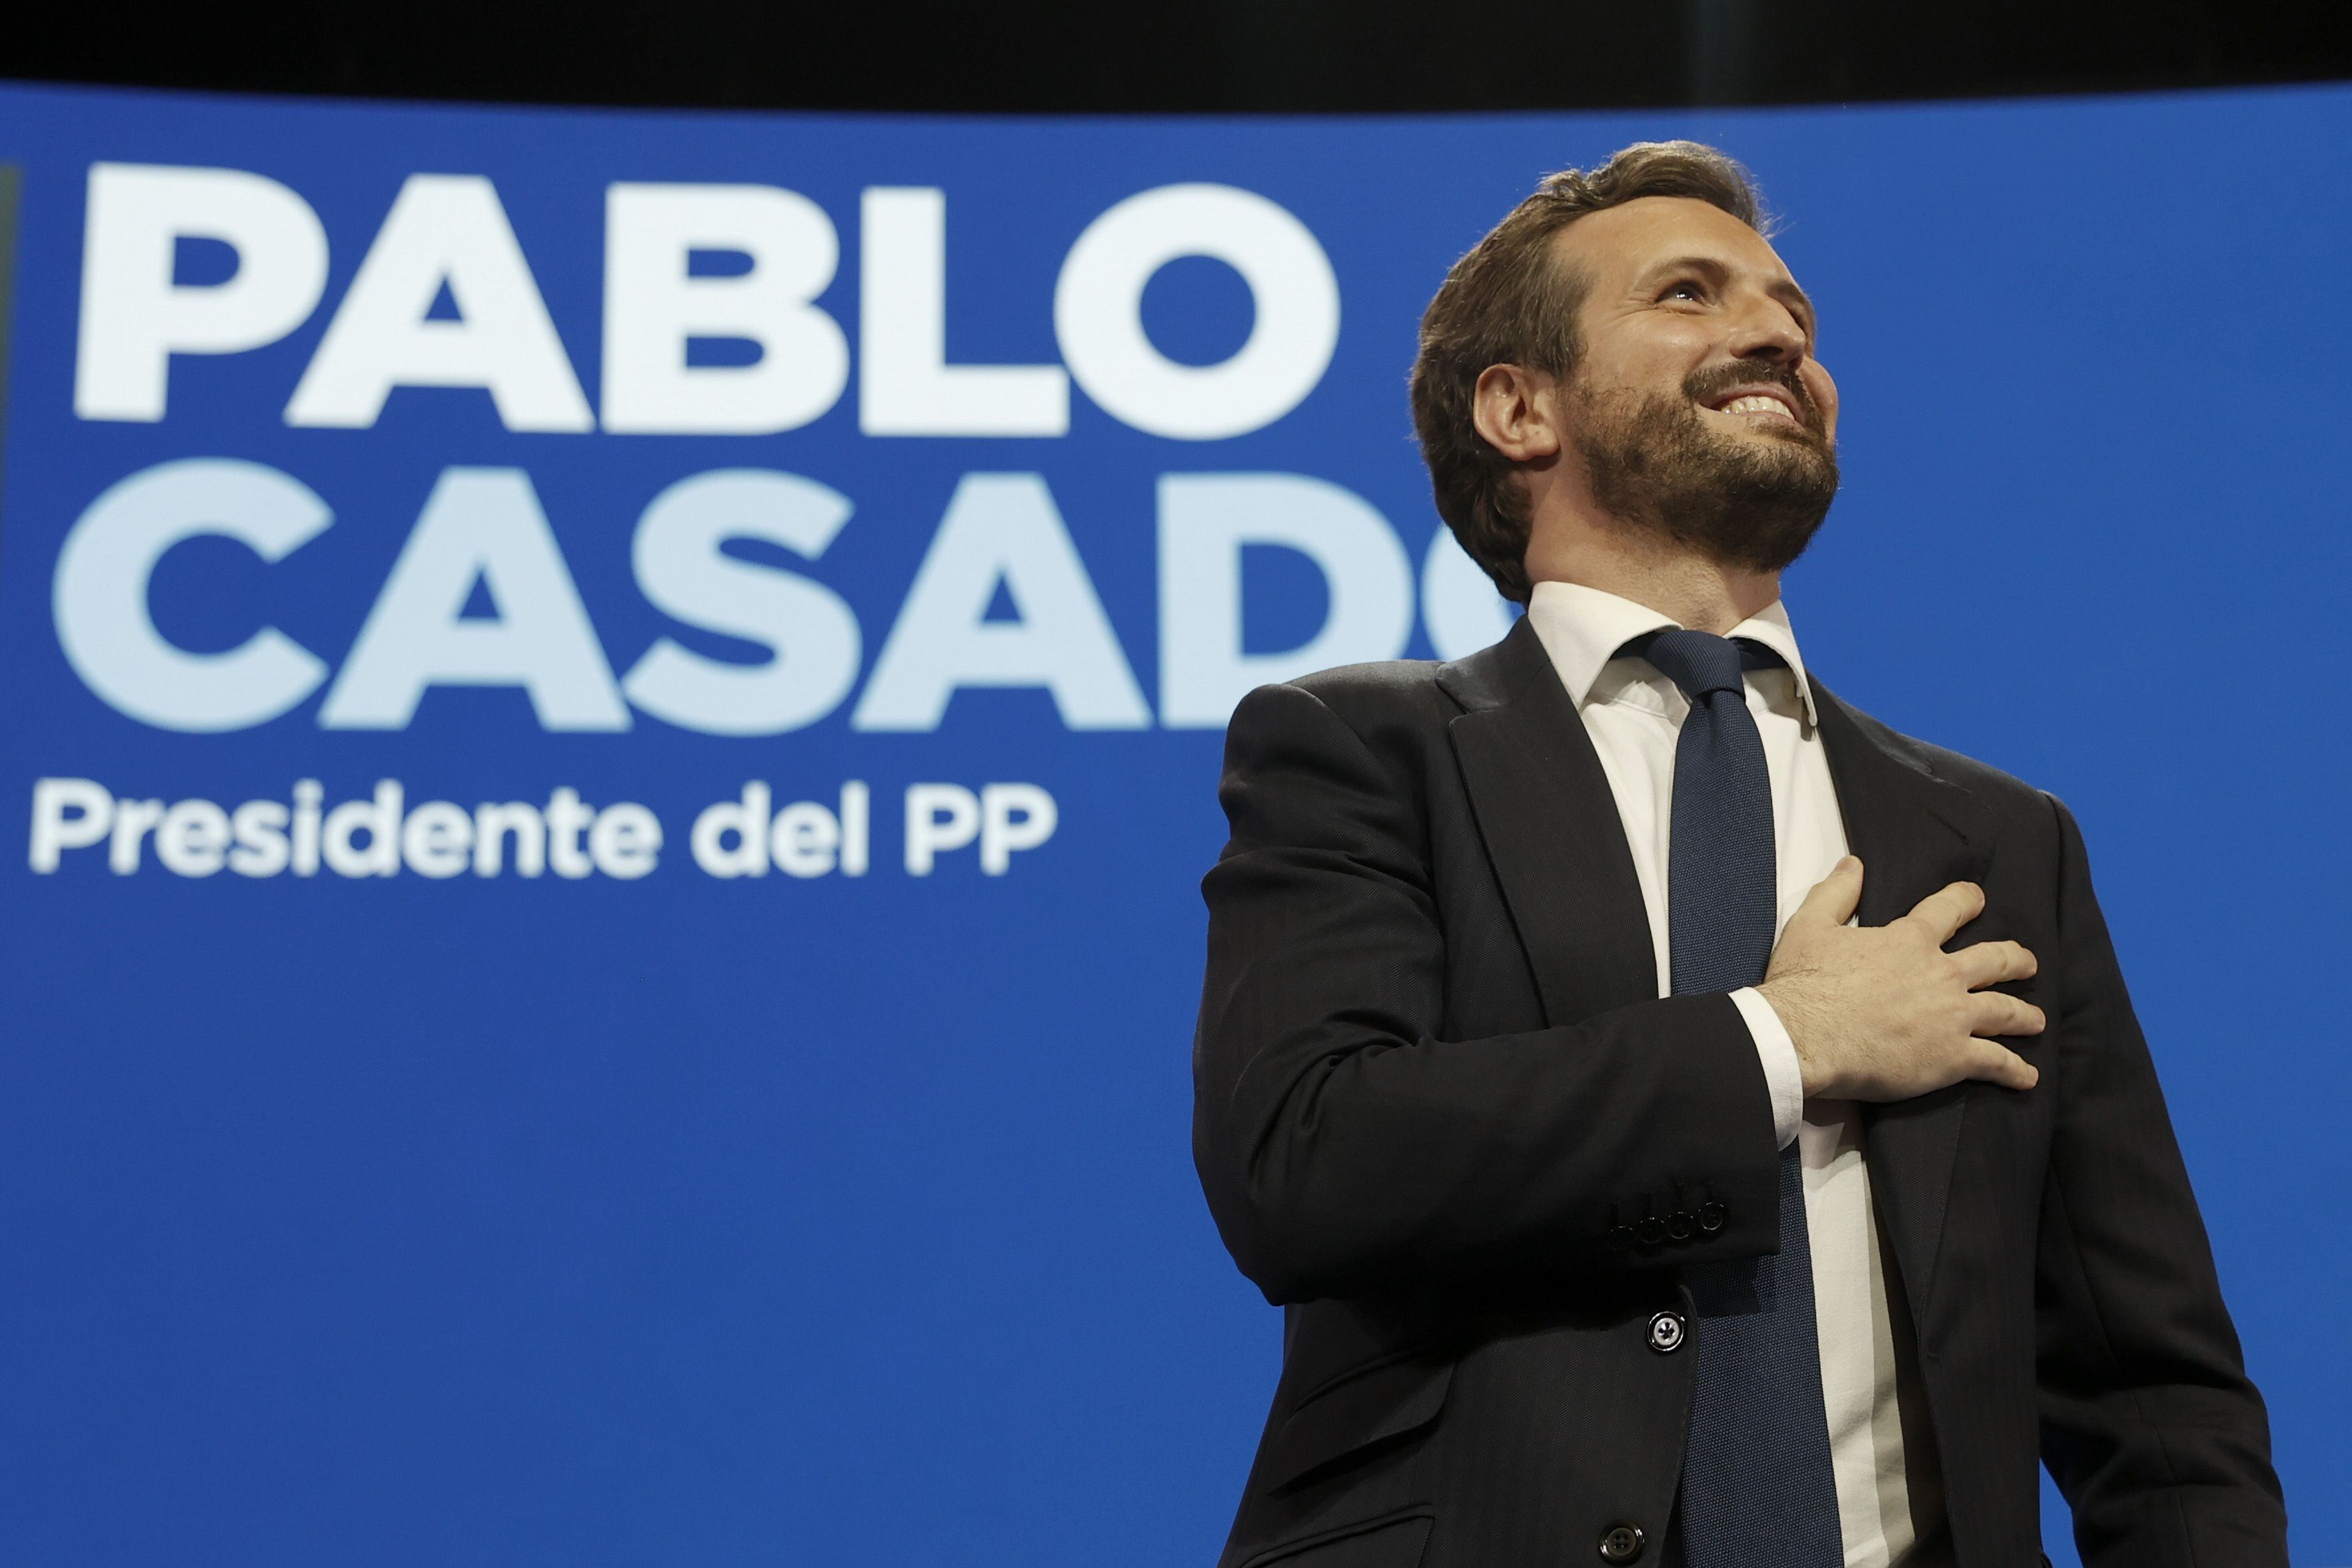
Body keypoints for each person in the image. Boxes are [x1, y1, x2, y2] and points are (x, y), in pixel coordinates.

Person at [1190, 141, 2286, 1568]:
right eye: (1688, 295)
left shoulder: (1998, 838)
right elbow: (1306, 1159)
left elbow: (2153, 1394)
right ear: (1521, 408)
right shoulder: (1363, 750)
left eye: (1793, 317)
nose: (1774, 334)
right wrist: (1781, 1042)